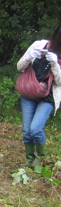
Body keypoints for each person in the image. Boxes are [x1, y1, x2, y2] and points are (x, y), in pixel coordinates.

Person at [16, 25, 61, 167]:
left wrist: (55, 63)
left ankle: (42, 159)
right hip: (29, 93)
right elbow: (19, 66)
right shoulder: (39, 45)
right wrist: (29, 57)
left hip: (47, 97)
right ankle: (30, 159)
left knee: (35, 129)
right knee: (26, 131)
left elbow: (59, 82)